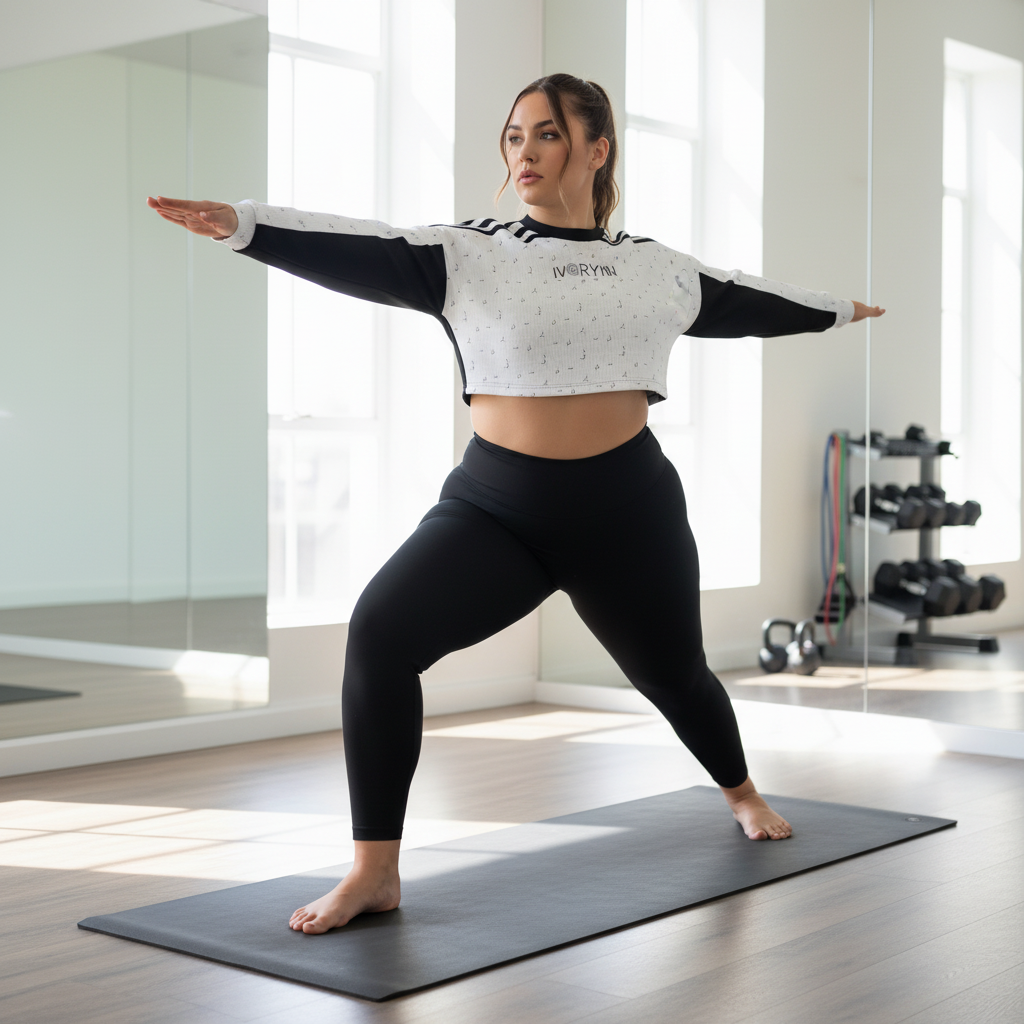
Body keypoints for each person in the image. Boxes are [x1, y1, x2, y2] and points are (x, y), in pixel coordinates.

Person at [150, 73, 884, 935]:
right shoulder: (472, 254)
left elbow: (752, 301)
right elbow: (360, 243)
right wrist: (244, 226)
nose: (523, 154)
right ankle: (374, 872)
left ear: (596, 148)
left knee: (672, 676)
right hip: (497, 509)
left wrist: (839, 312)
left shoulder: (655, 271)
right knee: (381, 635)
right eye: (513, 137)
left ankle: (742, 791)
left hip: (628, 511)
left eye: (544, 135)